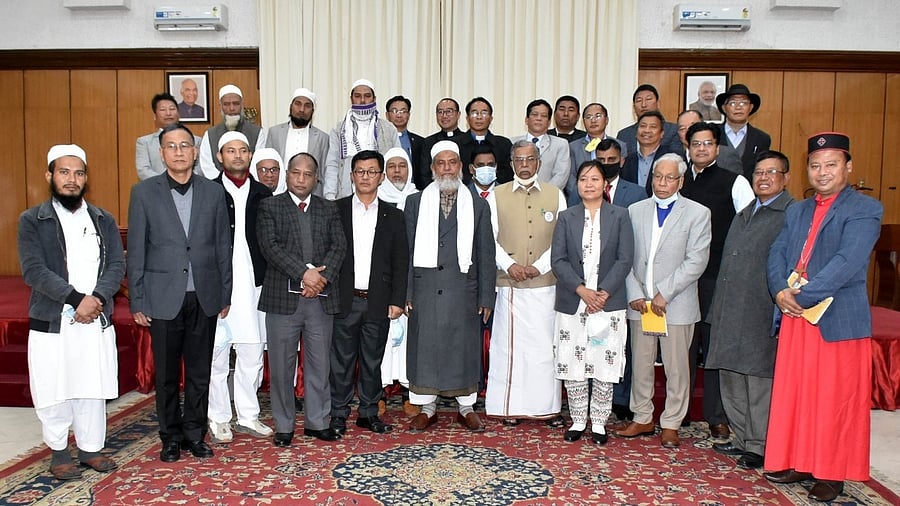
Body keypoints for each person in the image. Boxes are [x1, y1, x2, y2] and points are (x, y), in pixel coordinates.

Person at [763, 133, 882, 503]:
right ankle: (799, 460)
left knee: (834, 399)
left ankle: (831, 472)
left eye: (831, 164)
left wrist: (802, 294)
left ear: (848, 167)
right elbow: (778, 252)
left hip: (835, 317)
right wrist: (780, 289)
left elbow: (848, 261)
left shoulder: (865, 208)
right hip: (797, 316)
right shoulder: (797, 209)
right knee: (797, 394)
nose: (822, 172)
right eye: (815, 165)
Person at [18, 144, 124, 480]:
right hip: (54, 318)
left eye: (78, 173)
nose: (71, 179)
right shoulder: (32, 220)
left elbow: (116, 264)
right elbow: (33, 269)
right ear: (49, 175)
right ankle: (60, 451)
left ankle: (92, 448)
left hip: (95, 315)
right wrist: (76, 299)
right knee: (55, 386)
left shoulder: (102, 218)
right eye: (64, 172)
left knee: (92, 385)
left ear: (85, 178)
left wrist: (97, 298)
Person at [128, 123, 233, 462]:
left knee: (201, 372)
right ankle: (170, 437)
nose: (177, 152)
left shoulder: (214, 193)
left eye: (184, 146)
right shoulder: (143, 193)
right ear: (161, 153)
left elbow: (222, 246)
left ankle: (194, 434)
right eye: (170, 146)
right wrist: (138, 299)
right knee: (168, 376)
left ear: (194, 151)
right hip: (162, 298)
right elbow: (139, 250)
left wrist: (224, 293)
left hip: (204, 296)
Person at [705, 150, 794, 470]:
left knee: (757, 381)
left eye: (772, 172)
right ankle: (742, 438)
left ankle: (759, 443)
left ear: (785, 178)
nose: (764, 178)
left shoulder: (790, 214)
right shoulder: (745, 211)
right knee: (730, 376)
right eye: (759, 172)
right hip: (729, 308)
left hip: (761, 309)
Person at [615, 153, 711, 449]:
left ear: (680, 181)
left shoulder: (698, 213)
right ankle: (642, 416)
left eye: (670, 178)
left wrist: (664, 293)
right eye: (658, 176)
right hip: (641, 303)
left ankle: (671, 422)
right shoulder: (635, 210)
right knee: (641, 363)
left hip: (676, 303)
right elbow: (626, 256)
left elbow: (696, 260)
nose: (663, 182)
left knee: (676, 367)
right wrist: (636, 294)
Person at [256, 152, 347, 446]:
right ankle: (284, 425)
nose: (301, 179)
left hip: (320, 299)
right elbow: (270, 247)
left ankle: (317, 422)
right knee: (282, 366)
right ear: (287, 174)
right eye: (296, 172)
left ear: (316, 179)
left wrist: (320, 280)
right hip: (283, 300)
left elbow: (339, 246)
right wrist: (305, 274)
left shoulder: (328, 208)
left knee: (320, 365)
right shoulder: (270, 206)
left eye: (308, 174)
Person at [405, 141, 495, 433]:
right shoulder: (415, 203)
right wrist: (405, 293)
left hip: (463, 292)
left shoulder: (477, 205)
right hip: (425, 289)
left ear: (461, 167)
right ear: (432, 168)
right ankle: (427, 408)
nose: (446, 168)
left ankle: (466, 408)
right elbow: (405, 252)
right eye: (440, 163)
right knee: (426, 349)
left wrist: (486, 296)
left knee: (463, 350)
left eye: (452, 162)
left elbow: (485, 253)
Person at [679, 121, 754, 440]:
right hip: (681, 278)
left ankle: (716, 415)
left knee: (711, 348)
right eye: (696, 144)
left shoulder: (735, 182)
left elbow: (750, 228)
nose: (701, 149)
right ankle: (678, 410)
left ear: (717, 147)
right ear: (688, 147)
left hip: (716, 278)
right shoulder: (677, 182)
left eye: (707, 143)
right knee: (682, 345)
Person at [485, 140, 567, 426]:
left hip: (544, 284)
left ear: (538, 163)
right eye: (518, 160)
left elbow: (562, 240)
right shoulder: (496, 195)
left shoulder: (557, 195)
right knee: (510, 349)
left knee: (545, 349)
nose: (524, 165)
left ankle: (546, 408)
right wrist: (510, 265)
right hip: (509, 284)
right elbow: (489, 238)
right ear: (511, 163)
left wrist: (538, 267)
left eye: (529, 159)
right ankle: (510, 408)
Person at [552, 160, 634, 444]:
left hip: (608, 303)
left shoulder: (620, 215)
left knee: (603, 362)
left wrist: (602, 293)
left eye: (595, 179)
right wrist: (582, 290)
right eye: (584, 179)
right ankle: (577, 421)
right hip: (574, 301)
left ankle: (599, 423)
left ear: (604, 184)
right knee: (573, 363)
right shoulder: (566, 217)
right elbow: (558, 260)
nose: (589, 184)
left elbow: (625, 259)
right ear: (577, 184)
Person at [330, 150, 409, 436]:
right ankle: (338, 412)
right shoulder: (334, 210)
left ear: (381, 176)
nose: (365, 177)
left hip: (377, 301)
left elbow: (401, 262)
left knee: (373, 361)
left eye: (372, 171)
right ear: (351, 176)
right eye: (360, 171)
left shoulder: (394, 215)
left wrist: (397, 300)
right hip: (343, 299)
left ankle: (368, 412)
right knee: (340, 360)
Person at [207, 132, 274, 444]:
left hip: (255, 286)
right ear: (220, 156)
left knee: (251, 353)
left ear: (250, 155)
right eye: (230, 151)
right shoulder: (206, 192)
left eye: (243, 150)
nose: (237, 156)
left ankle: (248, 415)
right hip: (218, 286)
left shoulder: (264, 194)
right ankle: (218, 417)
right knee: (217, 356)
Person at [324, 79, 401, 200]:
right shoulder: (339, 129)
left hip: (382, 195)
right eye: (358, 96)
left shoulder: (388, 128)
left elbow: (397, 161)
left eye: (367, 96)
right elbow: (332, 165)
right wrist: (329, 195)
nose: (363, 100)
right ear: (351, 99)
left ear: (374, 99)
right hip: (346, 193)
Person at [265, 87, 329, 196]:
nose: (302, 109)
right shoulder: (274, 132)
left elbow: (324, 173)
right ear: (291, 106)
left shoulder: (322, 137)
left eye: (307, 106)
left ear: (313, 111)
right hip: (278, 194)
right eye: (298, 104)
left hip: (311, 197)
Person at [199, 85, 267, 178]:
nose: (231, 108)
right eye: (226, 104)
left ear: (242, 105)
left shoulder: (257, 132)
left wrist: (245, 182)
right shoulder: (210, 134)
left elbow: (259, 162)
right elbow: (206, 165)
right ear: (221, 106)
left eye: (235, 104)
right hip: (218, 187)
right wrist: (222, 183)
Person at [566, 103, 626, 204]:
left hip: (613, 198)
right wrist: (581, 193)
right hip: (581, 199)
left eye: (598, 116)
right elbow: (570, 176)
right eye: (588, 117)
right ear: (583, 121)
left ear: (606, 120)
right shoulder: (573, 147)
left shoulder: (620, 145)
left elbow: (622, 175)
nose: (593, 120)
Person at [136, 92, 201, 180]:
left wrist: (184, 180)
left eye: (172, 109)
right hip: (156, 190)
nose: (168, 113)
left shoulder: (197, 140)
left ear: (178, 114)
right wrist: (166, 183)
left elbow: (199, 168)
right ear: (155, 116)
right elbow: (143, 170)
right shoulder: (144, 142)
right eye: (163, 110)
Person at [716, 84, 772, 181]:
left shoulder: (762, 138)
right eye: (733, 103)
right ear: (724, 108)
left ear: (750, 107)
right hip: (716, 190)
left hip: (749, 192)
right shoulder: (712, 133)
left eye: (743, 103)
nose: (738, 107)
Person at [512, 99, 571, 189]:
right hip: (517, 195)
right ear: (526, 120)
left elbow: (561, 175)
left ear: (549, 122)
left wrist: (543, 193)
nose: (539, 118)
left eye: (543, 116)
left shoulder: (561, 144)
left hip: (548, 197)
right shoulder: (512, 142)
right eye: (535, 114)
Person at [456, 97, 514, 186]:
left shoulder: (503, 144)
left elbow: (508, 174)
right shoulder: (456, 144)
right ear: (467, 118)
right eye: (474, 113)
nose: (479, 117)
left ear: (491, 118)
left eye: (484, 113)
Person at [620, 111, 676, 196]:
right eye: (643, 126)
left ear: (662, 134)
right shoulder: (627, 160)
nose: (647, 130)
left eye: (653, 127)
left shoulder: (672, 159)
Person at [615, 84, 682, 155]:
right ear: (634, 107)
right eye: (639, 100)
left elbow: (678, 160)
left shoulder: (673, 130)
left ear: (658, 103)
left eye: (648, 99)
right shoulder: (624, 135)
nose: (643, 105)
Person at [675, 110, 742, 176]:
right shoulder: (674, 157)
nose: (688, 132)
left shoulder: (727, 155)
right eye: (682, 129)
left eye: (693, 126)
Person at [417, 98, 465, 187]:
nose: (444, 116)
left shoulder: (467, 139)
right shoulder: (429, 142)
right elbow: (425, 174)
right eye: (440, 112)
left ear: (458, 114)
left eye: (449, 111)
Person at [385, 95, 424, 187]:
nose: (399, 115)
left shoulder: (420, 142)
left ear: (409, 115)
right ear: (387, 115)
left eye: (403, 111)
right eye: (394, 111)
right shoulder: (379, 140)